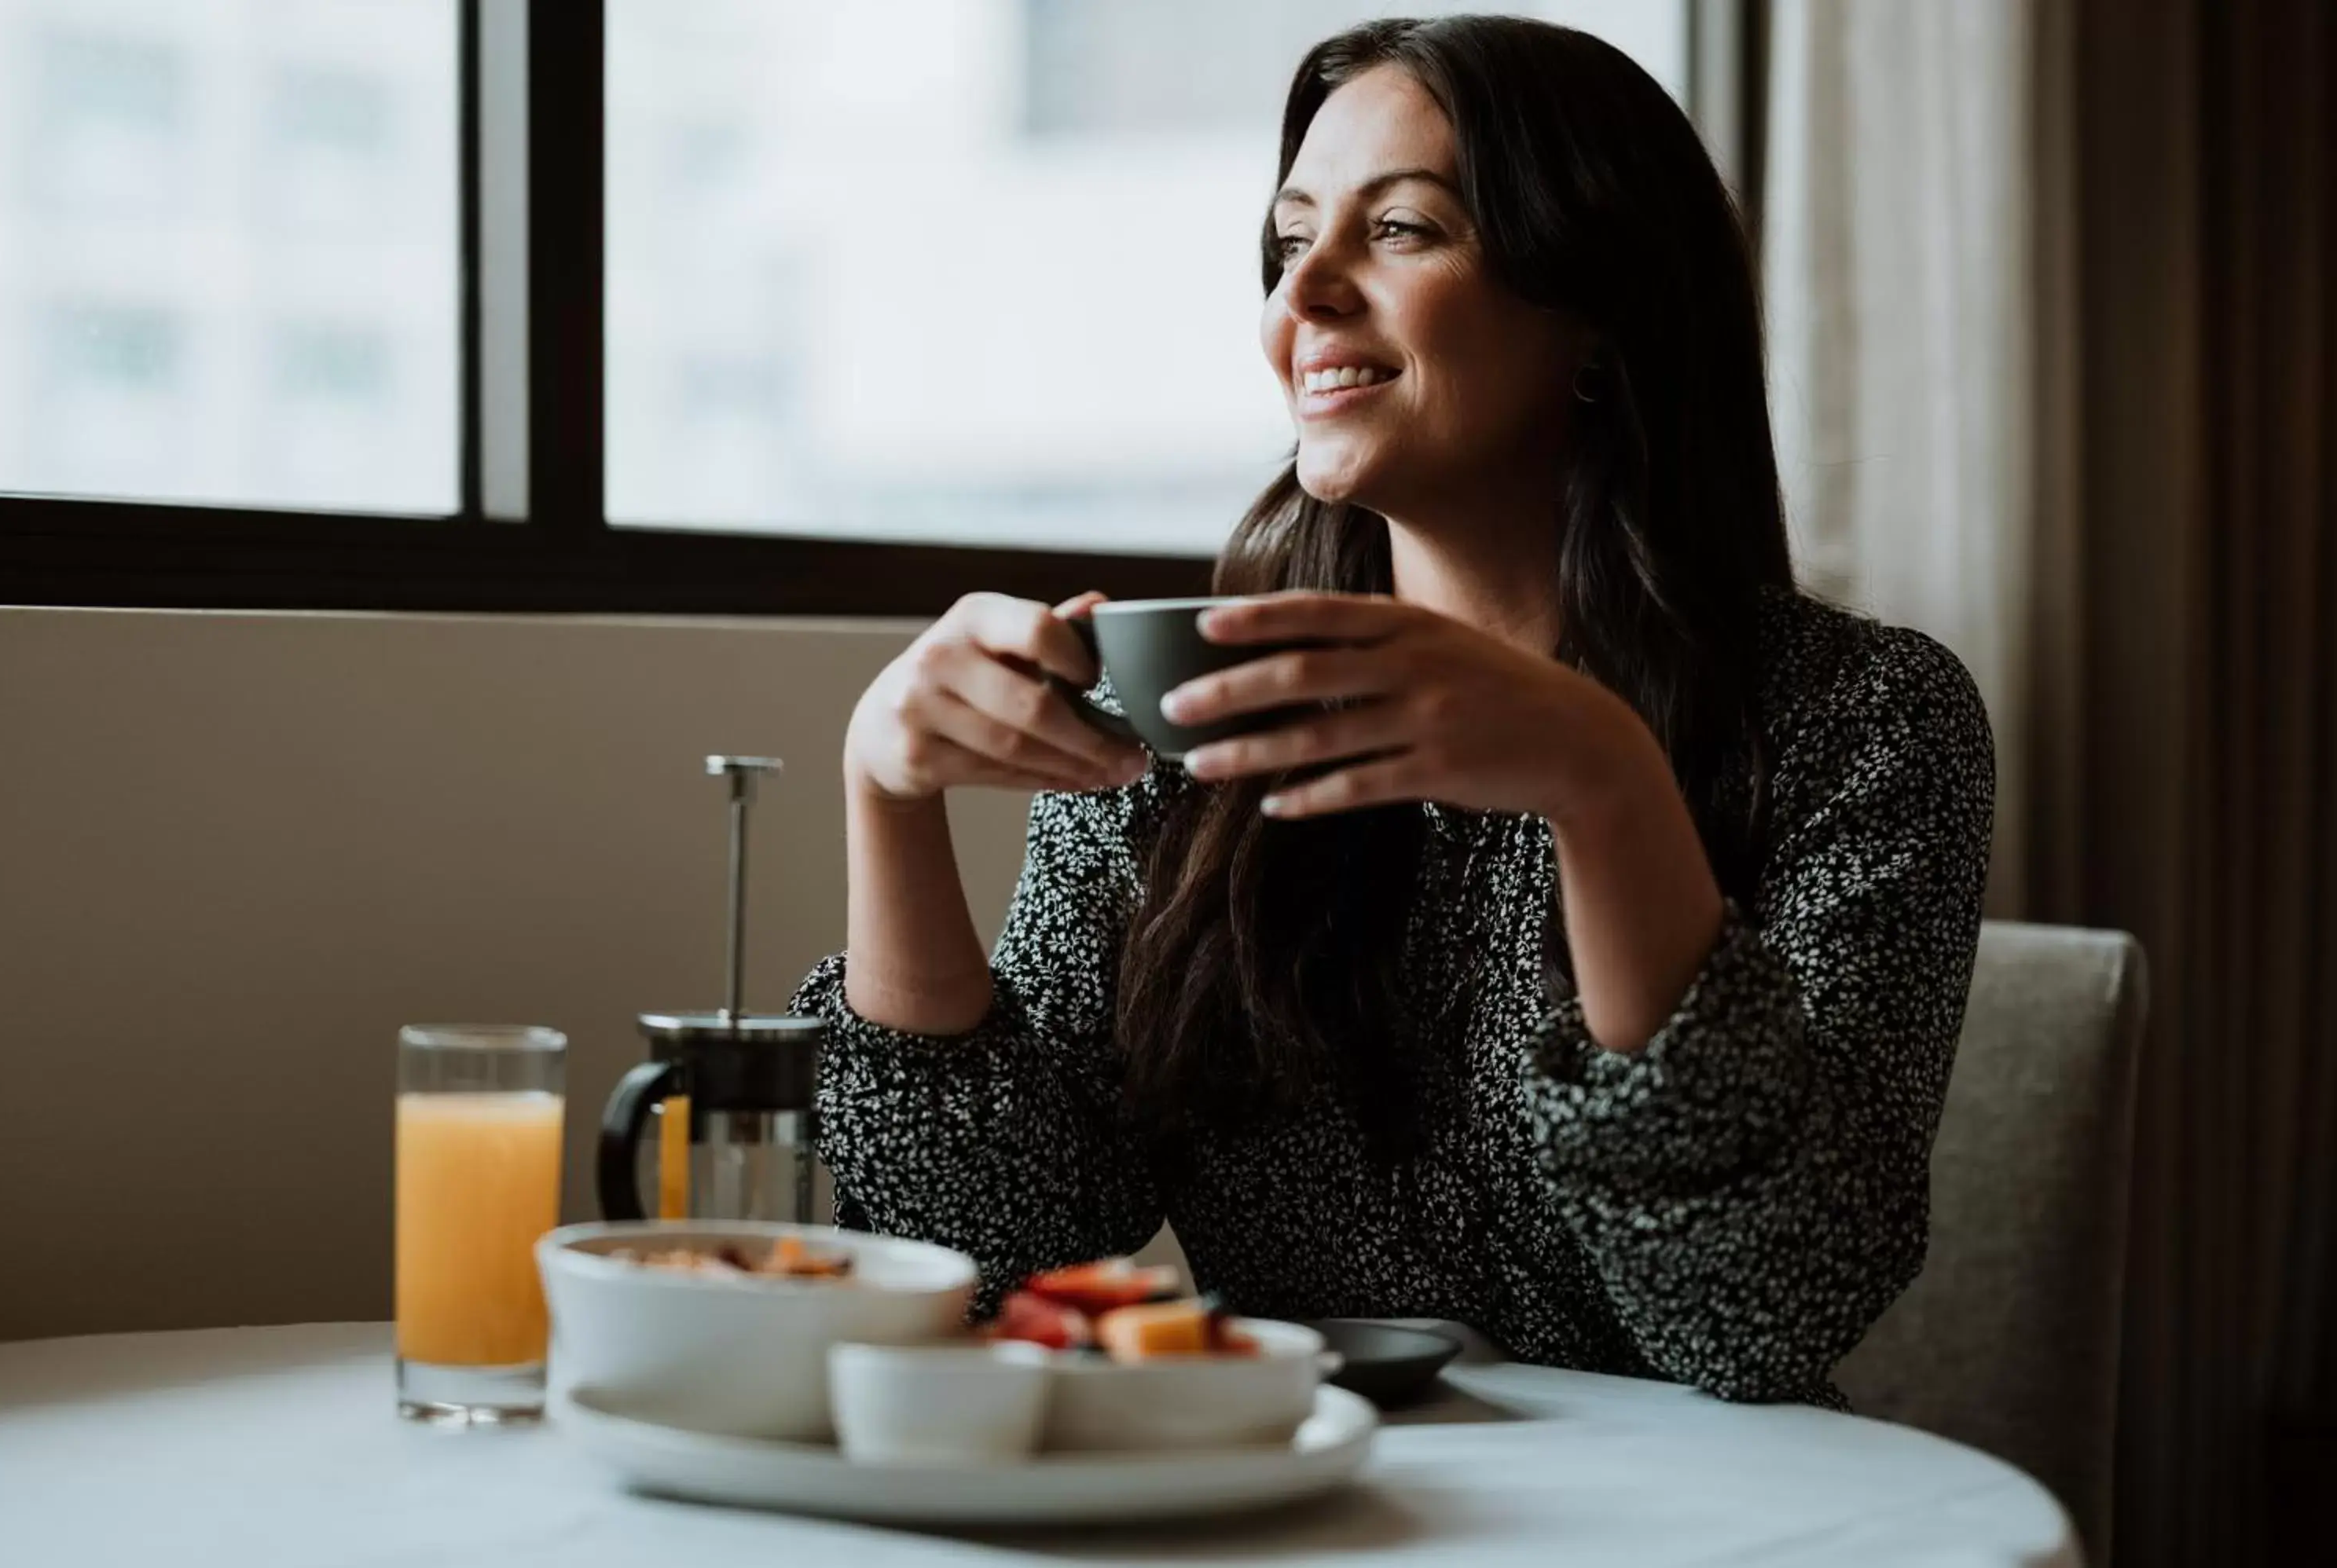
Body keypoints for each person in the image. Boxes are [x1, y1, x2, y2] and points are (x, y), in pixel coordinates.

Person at [792, 15, 1994, 1406]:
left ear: (1598, 318)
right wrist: (888, 798)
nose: (1304, 295)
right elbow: (990, 1257)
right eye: (1289, 239)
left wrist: (1604, 782)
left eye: (1403, 231)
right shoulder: (1194, 711)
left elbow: (1761, 1320)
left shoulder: (1864, 720)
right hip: (1284, 1503)